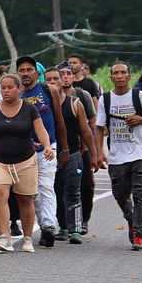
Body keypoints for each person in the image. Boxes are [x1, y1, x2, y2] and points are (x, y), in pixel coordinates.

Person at [95, 61, 142, 251]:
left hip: (140, 152)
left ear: (129, 76)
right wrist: (99, 152)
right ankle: (131, 219)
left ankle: (138, 234)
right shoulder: (105, 99)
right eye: (115, 73)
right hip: (117, 155)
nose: (119, 76)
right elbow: (99, 127)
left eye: (123, 72)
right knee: (120, 194)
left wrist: (141, 119)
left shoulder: (139, 96)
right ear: (111, 77)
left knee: (140, 192)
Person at [0, 74, 52, 253]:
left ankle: (27, 238)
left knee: (25, 199)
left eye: (9, 87)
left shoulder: (29, 109)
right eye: (3, 88)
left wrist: (47, 146)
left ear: (19, 89)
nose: (5, 91)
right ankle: (5, 237)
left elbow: (41, 129)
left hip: (25, 160)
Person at [16, 56, 69, 248]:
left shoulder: (49, 90)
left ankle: (48, 227)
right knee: (32, 191)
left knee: (46, 185)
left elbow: (59, 121)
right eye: (22, 70)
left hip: (49, 147)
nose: (26, 74)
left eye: (29, 70)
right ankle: (42, 223)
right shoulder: (16, 93)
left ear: (37, 73)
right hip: (24, 151)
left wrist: (64, 148)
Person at [51, 65, 98, 244]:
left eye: (60, 77)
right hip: (50, 157)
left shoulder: (74, 103)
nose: (56, 81)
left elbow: (86, 131)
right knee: (55, 191)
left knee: (73, 191)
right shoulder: (43, 106)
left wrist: (94, 155)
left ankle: (75, 229)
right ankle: (62, 227)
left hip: (73, 154)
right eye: (51, 79)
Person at [66, 54, 101, 234]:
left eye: (68, 73)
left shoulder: (83, 93)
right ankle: (64, 223)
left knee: (86, 186)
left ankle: (84, 220)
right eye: (60, 74)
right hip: (62, 148)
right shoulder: (53, 95)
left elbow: (92, 123)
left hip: (83, 147)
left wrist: (93, 150)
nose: (64, 77)